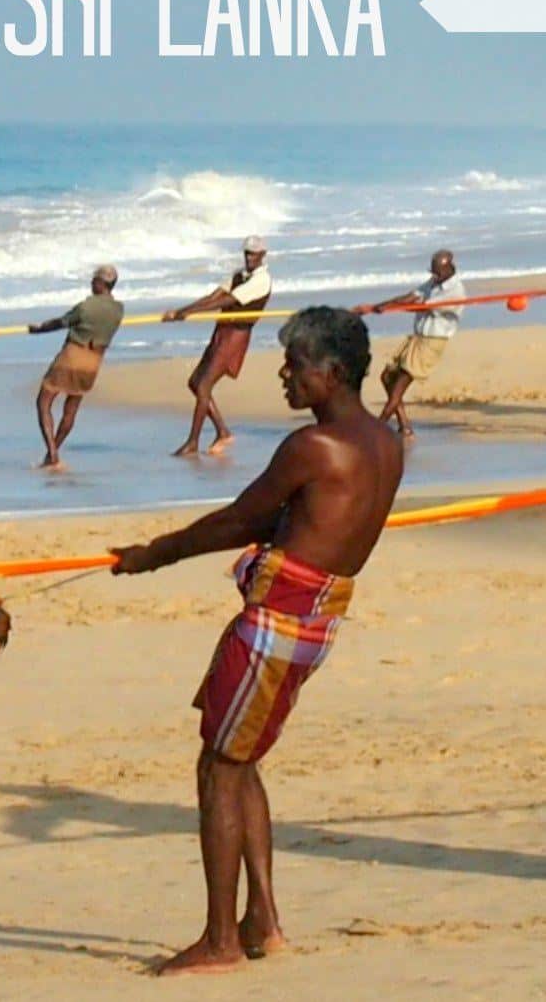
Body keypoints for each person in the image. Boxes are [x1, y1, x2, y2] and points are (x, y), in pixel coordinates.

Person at [111, 306, 402, 976]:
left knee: (220, 768)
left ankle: (219, 941)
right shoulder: (384, 441)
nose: (284, 376)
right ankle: (262, 920)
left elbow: (243, 516)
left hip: (278, 622)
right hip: (316, 623)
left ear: (331, 373)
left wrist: (155, 553)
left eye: (295, 366)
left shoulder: (313, 446)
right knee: (241, 759)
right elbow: (304, 518)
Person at [163, 236, 272, 457]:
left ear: (262, 255)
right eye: (247, 253)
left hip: (235, 336)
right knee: (195, 382)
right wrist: (181, 311)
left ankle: (193, 442)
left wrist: (189, 313)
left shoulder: (261, 280)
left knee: (203, 386)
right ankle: (223, 431)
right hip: (221, 333)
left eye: (254, 254)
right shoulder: (239, 275)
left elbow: (227, 301)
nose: (249, 257)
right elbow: (213, 296)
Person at [354, 249, 466, 439]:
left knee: (398, 387)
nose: (435, 276)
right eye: (433, 272)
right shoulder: (435, 282)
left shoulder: (455, 291)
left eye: (438, 273)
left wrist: (380, 309)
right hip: (417, 338)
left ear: (449, 269)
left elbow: (419, 306)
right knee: (387, 377)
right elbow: (412, 297)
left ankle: (377, 430)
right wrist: (377, 306)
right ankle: (404, 425)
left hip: (432, 342)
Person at [29, 265, 123, 469]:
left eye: (93, 280)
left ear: (100, 283)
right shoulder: (119, 309)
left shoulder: (86, 307)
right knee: (70, 410)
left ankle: (52, 453)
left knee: (44, 402)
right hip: (93, 362)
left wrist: (39, 329)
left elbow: (62, 322)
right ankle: (52, 453)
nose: (91, 283)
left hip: (73, 355)